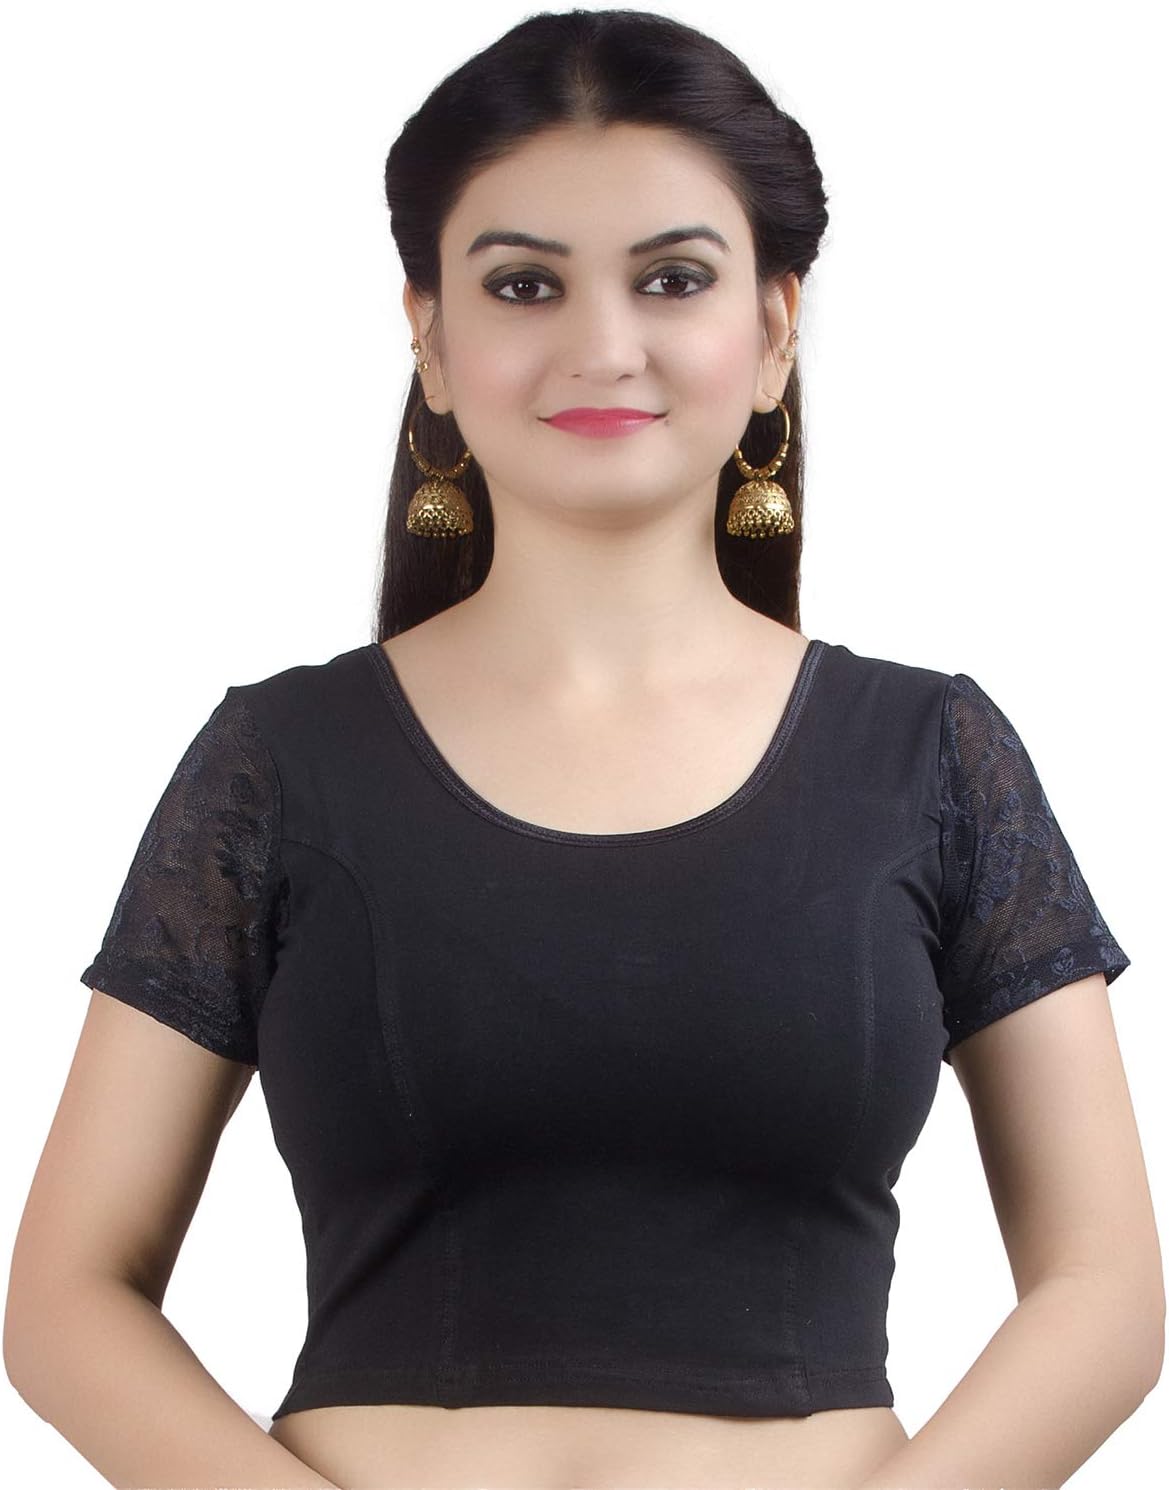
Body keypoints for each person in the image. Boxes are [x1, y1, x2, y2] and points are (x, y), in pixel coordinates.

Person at [5, 10, 1161, 1490]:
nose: (603, 345)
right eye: (523, 284)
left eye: (673, 277)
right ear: (430, 336)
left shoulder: (933, 757)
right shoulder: (276, 762)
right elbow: (66, 1298)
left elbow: (1104, 1292)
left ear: (775, 329)